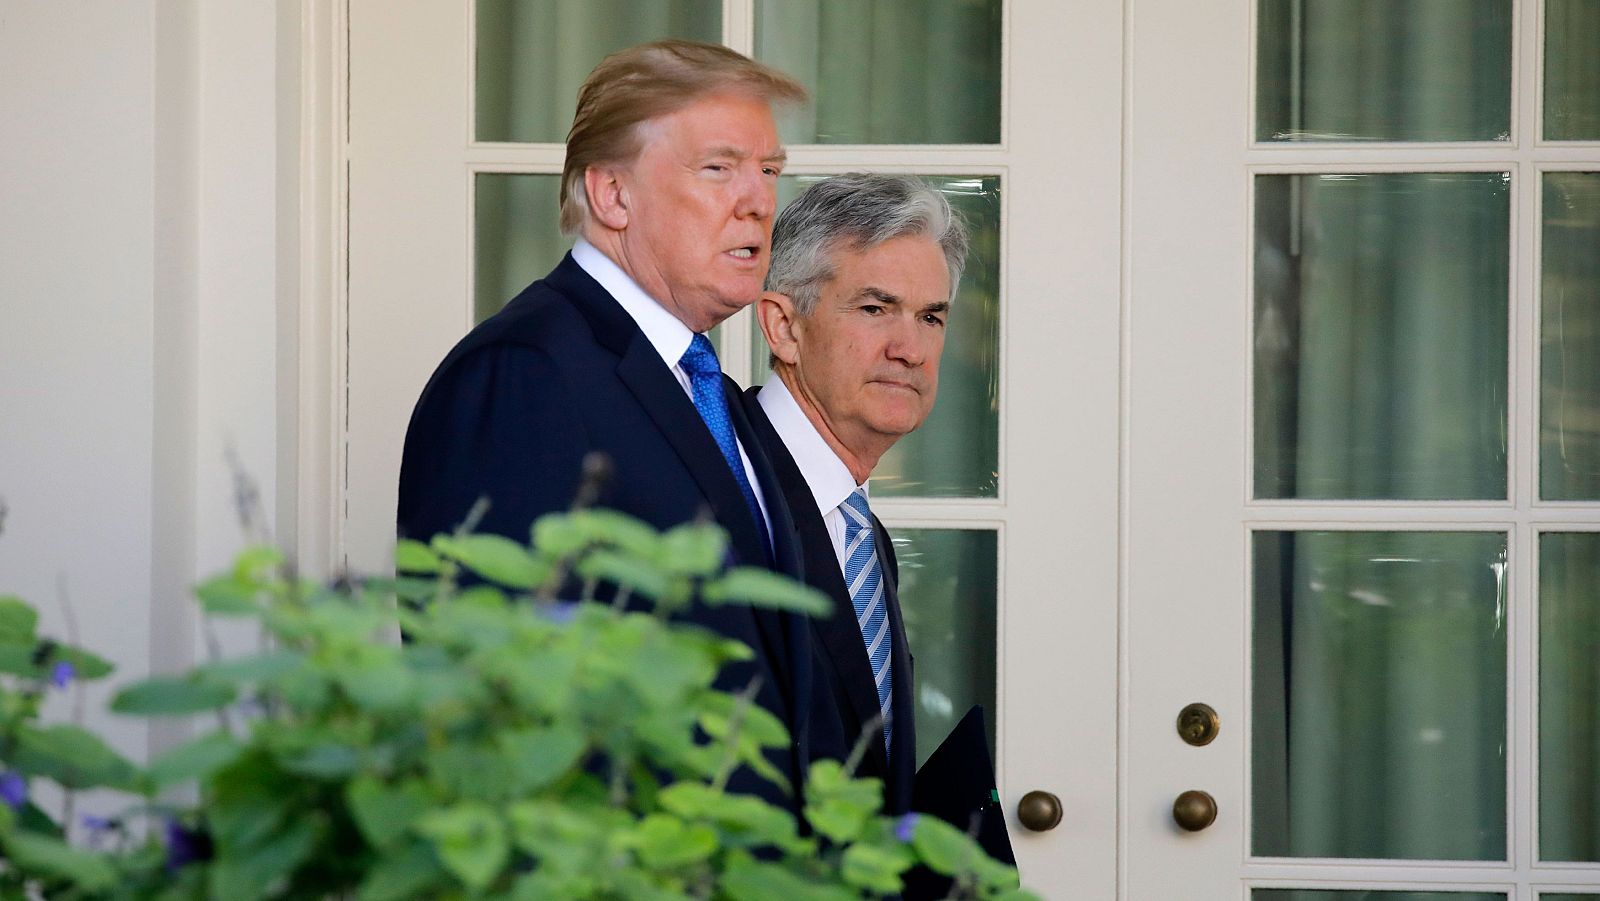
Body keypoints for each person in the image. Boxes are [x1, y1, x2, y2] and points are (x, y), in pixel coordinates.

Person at [396, 40, 813, 814]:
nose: (758, 200)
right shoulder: (522, 371)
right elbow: (491, 704)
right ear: (612, 195)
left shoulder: (703, 383)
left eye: (770, 170)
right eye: (719, 168)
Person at [737, 173, 969, 816]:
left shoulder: (858, 528)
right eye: (875, 309)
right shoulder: (727, 492)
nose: (911, 349)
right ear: (783, 326)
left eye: (931, 317)